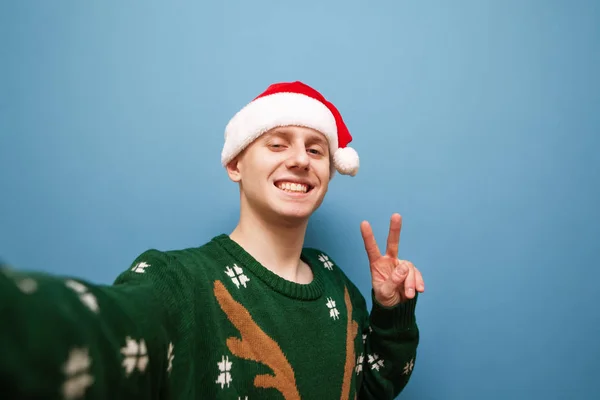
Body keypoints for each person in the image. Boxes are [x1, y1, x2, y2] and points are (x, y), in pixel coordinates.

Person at [0, 81, 425, 399]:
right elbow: (105, 333)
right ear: (235, 164)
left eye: (316, 151)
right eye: (277, 144)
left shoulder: (338, 285)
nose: (299, 159)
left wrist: (392, 313)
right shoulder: (178, 282)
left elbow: (373, 387)